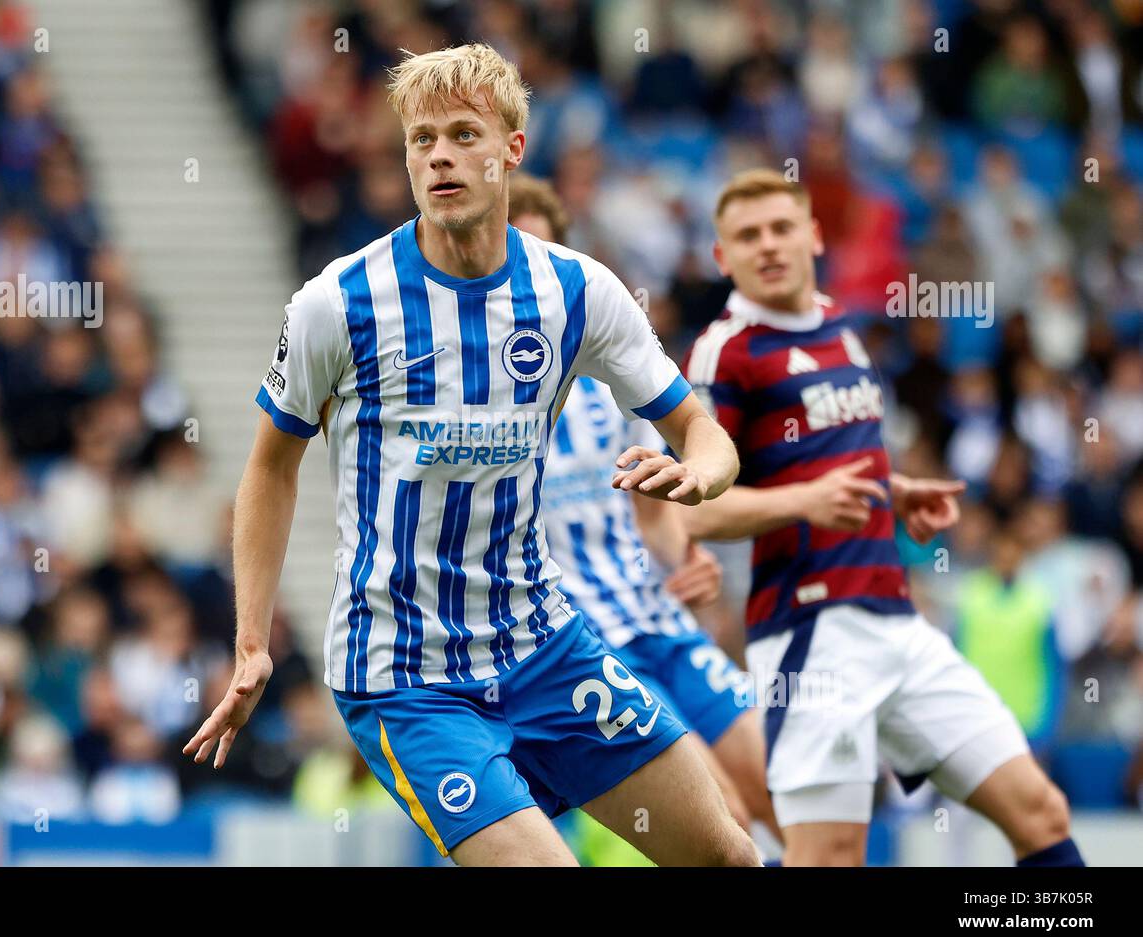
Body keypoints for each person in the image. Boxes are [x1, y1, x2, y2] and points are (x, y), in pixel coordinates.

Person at [184, 44, 757, 867]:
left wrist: (704, 473)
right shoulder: (336, 302)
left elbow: (704, 433)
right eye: (421, 140)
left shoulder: (577, 291)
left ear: (512, 150)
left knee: (729, 857)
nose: (439, 156)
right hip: (404, 674)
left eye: (461, 134)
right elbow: (269, 469)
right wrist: (250, 642)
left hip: (544, 644)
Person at [681, 168, 1082, 867]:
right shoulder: (728, 351)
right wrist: (804, 503)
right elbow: (695, 512)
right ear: (722, 257)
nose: (768, 246)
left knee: (1041, 812)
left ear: (813, 235)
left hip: (899, 622)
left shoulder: (843, 326)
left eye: (782, 228)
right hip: (811, 636)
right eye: (747, 236)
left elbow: (827, 462)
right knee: (831, 856)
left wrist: (891, 493)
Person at [509, 174, 780, 845]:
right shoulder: (478, 403)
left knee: (781, 792)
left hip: (656, 618)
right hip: (585, 645)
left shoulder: (610, 383)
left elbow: (651, 510)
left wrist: (685, 559)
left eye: (544, 258)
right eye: (514, 258)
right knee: (725, 821)